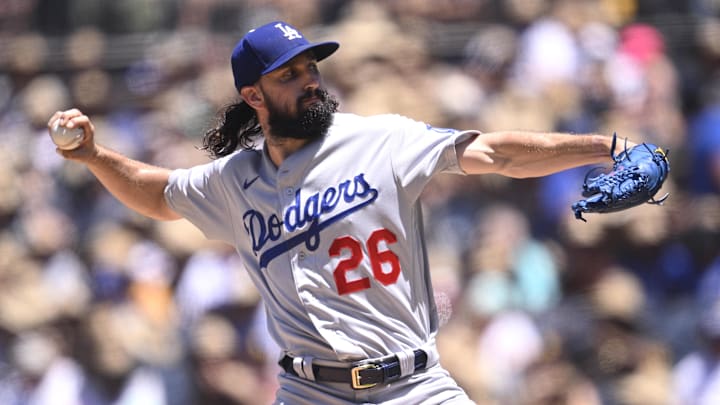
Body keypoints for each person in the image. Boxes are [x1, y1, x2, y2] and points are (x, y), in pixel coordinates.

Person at [49, 20, 627, 404]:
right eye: (290, 74)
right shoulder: (236, 180)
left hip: (412, 385)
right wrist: (94, 155)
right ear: (253, 95)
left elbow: (495, 153)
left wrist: (607, 147)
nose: (310, 82)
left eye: (311, 68)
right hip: (308, 392)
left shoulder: (380, 140)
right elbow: (158, 193)